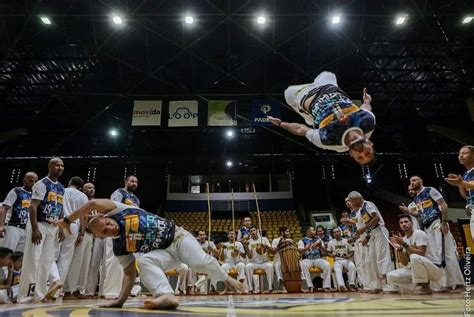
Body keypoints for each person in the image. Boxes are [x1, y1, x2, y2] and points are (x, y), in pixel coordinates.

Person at [53, 199, 243, 310]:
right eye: (103, 232)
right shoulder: (119, 246)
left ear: (106, 216)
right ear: (102, 238)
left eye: (107, 224)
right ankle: (166, 295)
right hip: (163, 254)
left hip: (178, 237)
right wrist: (120, 301)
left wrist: (68, 220)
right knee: (142, 261)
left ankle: (227, 279)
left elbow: (92, 202)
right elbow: (129, 274)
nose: (109, 229)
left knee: (199, 263)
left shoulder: (120, 210)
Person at [267, 71, 376, 165]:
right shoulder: (368, 121)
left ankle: (310, 118)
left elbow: (301, 130)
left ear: (351, 154)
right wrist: (367, 101)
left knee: (287, 93)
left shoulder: (328, 139)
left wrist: (281, 124)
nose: (361, 152)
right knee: (328, 74)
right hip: (329, 85)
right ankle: (312, 119)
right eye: (367, 153)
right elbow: (365, 108)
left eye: (359, 157)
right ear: (370, 144)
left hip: (303, 95)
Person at [400, 176, 463, 292]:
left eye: (414, 180)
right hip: (427, 227)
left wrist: (444, 222)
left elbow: (443, 205)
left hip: (437, 223)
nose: (412, 183)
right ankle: (446, 284)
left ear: (421, 181)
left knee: (446, 252)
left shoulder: (430, 190)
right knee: (435, 256)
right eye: (410, 181)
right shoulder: (416, 199)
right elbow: (420, 215)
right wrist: (409, 212)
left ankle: (458, 283)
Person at [18, 158, 65, 303]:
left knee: (46, 261)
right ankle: (26, 295)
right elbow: (33, 206)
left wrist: (61, 226)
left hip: (53, 227)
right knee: (33, 260)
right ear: (50, 166)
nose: (60, 167)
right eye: (57, 165)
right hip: (39, 225)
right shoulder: (41, 184)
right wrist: (35, 229)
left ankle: (41, 294)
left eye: (62, 165)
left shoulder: (62, 187)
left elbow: (60, 207)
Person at [348, 191, 395, 293]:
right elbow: (369, 226)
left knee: (382, 258)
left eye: (351, 201)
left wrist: (364, 228)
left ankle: (390, 286)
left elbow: (376, 218)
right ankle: (377, 285)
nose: (351, 204)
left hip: (380, 231)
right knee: (371, 260)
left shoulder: (368, 205)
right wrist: (367, 236)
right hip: (372, 233)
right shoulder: (360, 210)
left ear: (357, 199)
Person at [103, 176, 140, 299]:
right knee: (113, 260)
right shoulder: (119, 193)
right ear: (126, 182)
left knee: (126, 262)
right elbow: (111, 208)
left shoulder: (136, 199)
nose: (134, 183)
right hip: (115, 228)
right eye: (132, 181)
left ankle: (122, 291)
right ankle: (110, 291)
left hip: (129, 232)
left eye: (136, 182)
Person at [387, 215, 443, 294]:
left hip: (433, 269)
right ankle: (415, 288)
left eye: (406, 221)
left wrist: (404, 244)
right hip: (418, 269)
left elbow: (421, 253)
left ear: (412, 223)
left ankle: (425, 287)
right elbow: (405, 263)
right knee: (390, 276)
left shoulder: (419, 234)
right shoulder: (404, 239)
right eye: (401, 222)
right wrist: (399, 249)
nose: (404, 224)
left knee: (414, 256)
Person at [65, 182, 96, 299]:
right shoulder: (80, 199)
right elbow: (83, 216)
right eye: (89, 188)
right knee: (76, 262)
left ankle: (79, 289)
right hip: (80, 232)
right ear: (83, 190)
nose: (92, 189)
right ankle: (68, 290)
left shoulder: (94, 203)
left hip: (90, 235)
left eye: (93, 188)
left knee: (85, 264)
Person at [0, 172, 38, 252]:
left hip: (28, 229)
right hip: (14, 227)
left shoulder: (36, 196)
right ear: (24, 180)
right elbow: (4, 208)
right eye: (31, 181)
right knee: (7, 253)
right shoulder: (16, 191)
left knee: (19, 257)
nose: (33, 183)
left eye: (35, 182)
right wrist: (1, 225)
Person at [445, 145, 474, 242]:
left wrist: (461, 182)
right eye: (459, 154)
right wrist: (459, 185)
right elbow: (465, 196)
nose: (461, 156)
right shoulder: (466, 174)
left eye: (465, 153)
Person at [298, 226, 332, 292]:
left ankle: (326, 286)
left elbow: (325, 251)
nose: (315, 232)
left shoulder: (318, 239)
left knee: (327, 265)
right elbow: (300, 251)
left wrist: (320, 247)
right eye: (313, 230)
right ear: (308, 232)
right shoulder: (302, 240)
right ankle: (310, 286)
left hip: (318, 259)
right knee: (303, 265)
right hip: (307, 259)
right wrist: (306, 248)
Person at [243, 227, 274, 293]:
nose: (253, 232)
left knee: (270, 266)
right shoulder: (250, 242)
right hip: (254, 263)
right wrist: (246, 247)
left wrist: (266, 246)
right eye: (251, 231)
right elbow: (250, 256)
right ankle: (250, 288)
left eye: (254, 230)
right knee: (247, 266)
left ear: (257, 231)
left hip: (264, 262)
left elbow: (271, 251)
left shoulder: (264, 239)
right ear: (250, 233)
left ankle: (270, 287)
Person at [327, 227, 357, 292]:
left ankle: (351, 284)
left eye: (337, 231)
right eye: (334, 232)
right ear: (333, 234)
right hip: (337, 260)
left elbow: (352, 251)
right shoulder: (331, 242)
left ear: (340, 232)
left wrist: (348, 256)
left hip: (346, 260)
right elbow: (328, 253)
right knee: (337, 270)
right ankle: (341, 286)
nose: (336, 233)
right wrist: (332, 255)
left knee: (352, 266)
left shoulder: (346, 240)